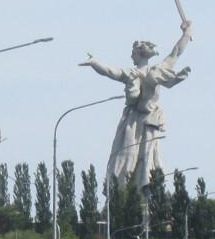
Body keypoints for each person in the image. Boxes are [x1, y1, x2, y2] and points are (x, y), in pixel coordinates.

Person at [80, 21, 193, 191]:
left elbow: (176, 52)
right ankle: (125, 191)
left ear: (139, 55)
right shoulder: (136, 72)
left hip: (144, 120)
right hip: (134, 121)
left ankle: (143, 189)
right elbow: (175, 54)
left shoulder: (150, 71)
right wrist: (187, 34)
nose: (131, 56)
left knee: (145, 157)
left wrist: (186, 35)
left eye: (133, 53)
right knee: (125, 157)